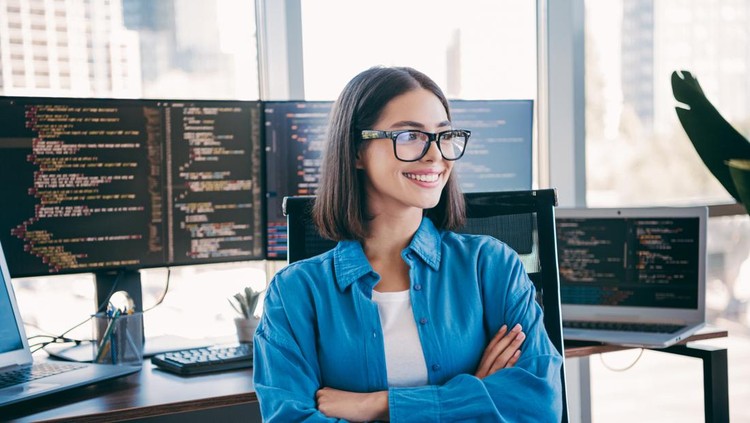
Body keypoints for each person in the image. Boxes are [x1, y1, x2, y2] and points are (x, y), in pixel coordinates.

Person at [253, 66, 562, 422]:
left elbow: (539, 405)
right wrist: (473, 394)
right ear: (356, 151)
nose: (436, 156)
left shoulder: (491, 265)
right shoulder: (294, 293)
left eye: (444, 136)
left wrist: (379, 406)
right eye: (410, 136)